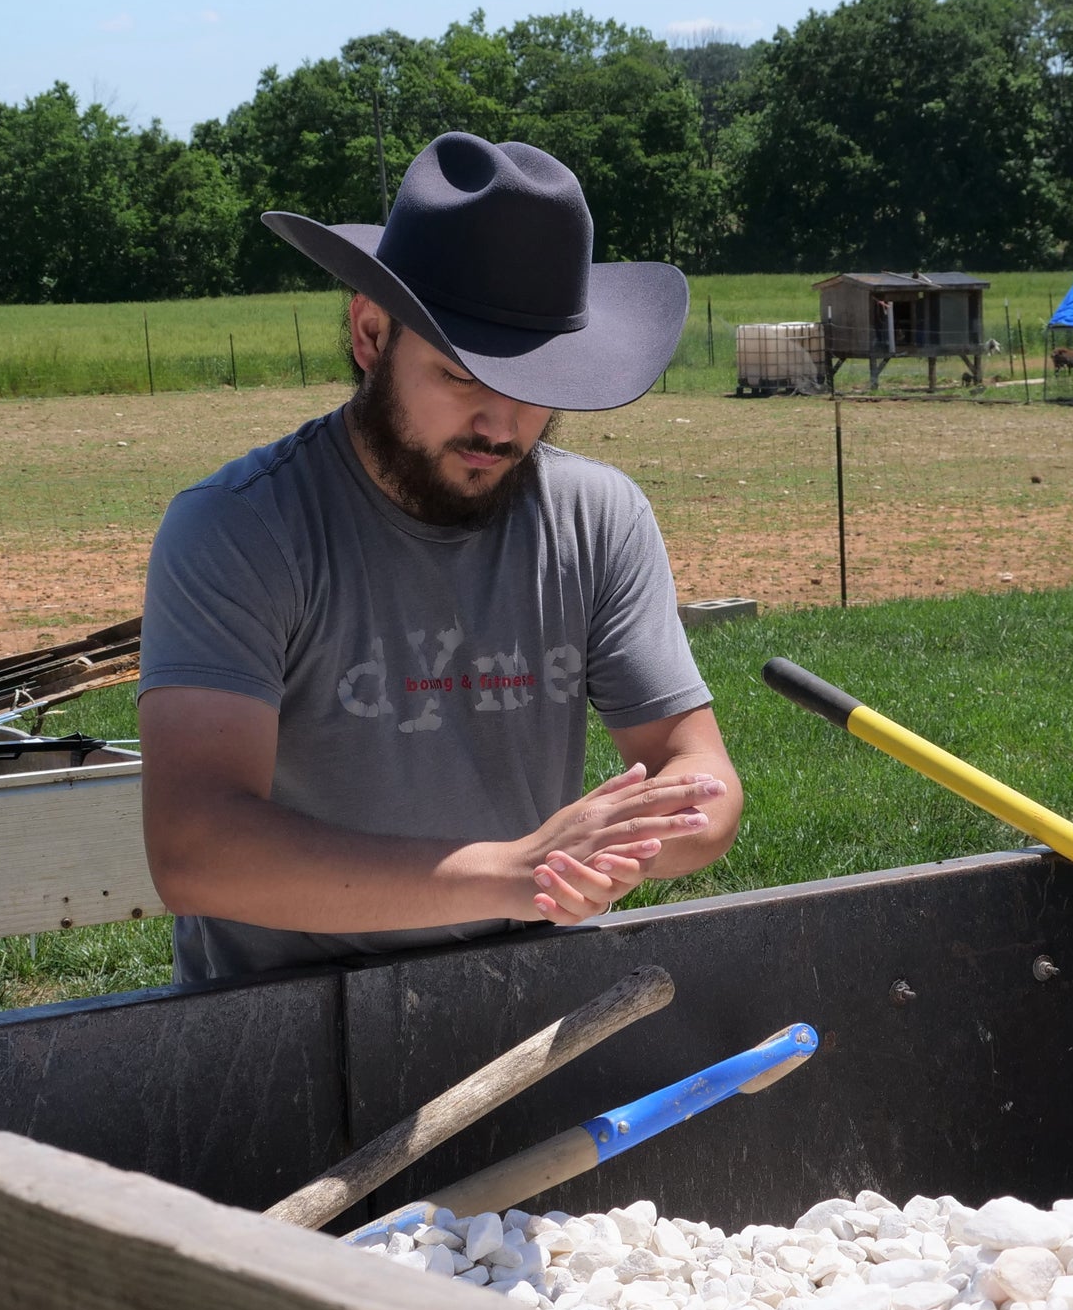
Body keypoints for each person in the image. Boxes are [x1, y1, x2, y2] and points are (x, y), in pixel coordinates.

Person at [138, 131, 742, 984]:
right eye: (462, 375)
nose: (501, 424)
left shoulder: (598, 518)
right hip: (281, 1024)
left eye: (536, 385)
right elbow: (197, 851)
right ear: (370, 332)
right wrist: (515, 874)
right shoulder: (240, 528)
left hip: (534, 992)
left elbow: (701, 772)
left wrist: (641, 836)